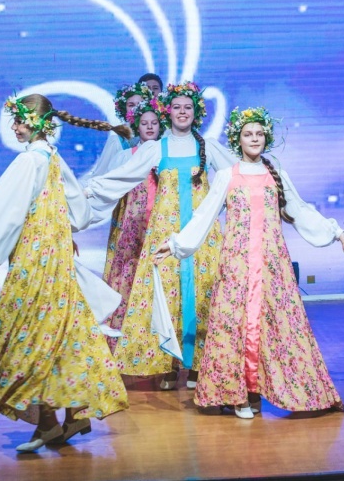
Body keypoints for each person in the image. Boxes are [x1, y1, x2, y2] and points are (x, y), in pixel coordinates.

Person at [0, 94, 131, 452]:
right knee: (59, 332)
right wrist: (60, 229)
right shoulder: (52, 157)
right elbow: (78, 211)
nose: (15, 127)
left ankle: (52, 421)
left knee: (26, 334)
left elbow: (7, 212)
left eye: (20, 121)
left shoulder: (29, 161)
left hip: (35, 260)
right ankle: (69, 415)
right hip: (56, 258)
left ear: (35, 123)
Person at [155, 107, 344, 418]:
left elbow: (300, 210)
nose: (254, 139)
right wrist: (175, 244)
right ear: (238, 139)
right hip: (237, 266)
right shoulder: (227, 176)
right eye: (248, 134)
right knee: (235, 327)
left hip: (272, 265)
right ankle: (237, 396)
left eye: (259, 134)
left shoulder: (275, 175)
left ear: (266, 138)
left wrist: (336, 232)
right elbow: (204, 215)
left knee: (277, 327)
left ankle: (263, 391)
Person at [84, 81, 236, 390]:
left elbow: (236, 176)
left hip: (202, 235)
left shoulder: (207, 146)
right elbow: (123, 176)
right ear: (168, 111)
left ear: (196, 113)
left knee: (203, 292)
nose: (182, 112)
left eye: (188, 107)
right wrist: (88, 190)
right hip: (164, 233)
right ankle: (169, 362)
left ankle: (199, 364)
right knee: (166, 295)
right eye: (176, 107)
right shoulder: (156, 148)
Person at [101, 83, 165, 350]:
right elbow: (108, 179)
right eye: (144, 123)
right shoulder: (125, 153)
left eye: (154, 123)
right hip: (133, 221)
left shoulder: (167, 151)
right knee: (130, 272)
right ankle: (126, 334)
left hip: (160, 221)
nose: (149, 127)